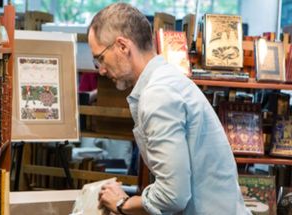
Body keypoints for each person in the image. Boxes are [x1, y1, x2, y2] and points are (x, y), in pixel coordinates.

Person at [87, 3, 250, 215]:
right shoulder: (166, 81)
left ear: (123, 46)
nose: (101, 70)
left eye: (100, 58)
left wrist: (121, 204)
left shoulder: (158, 94)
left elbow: (172, 196)